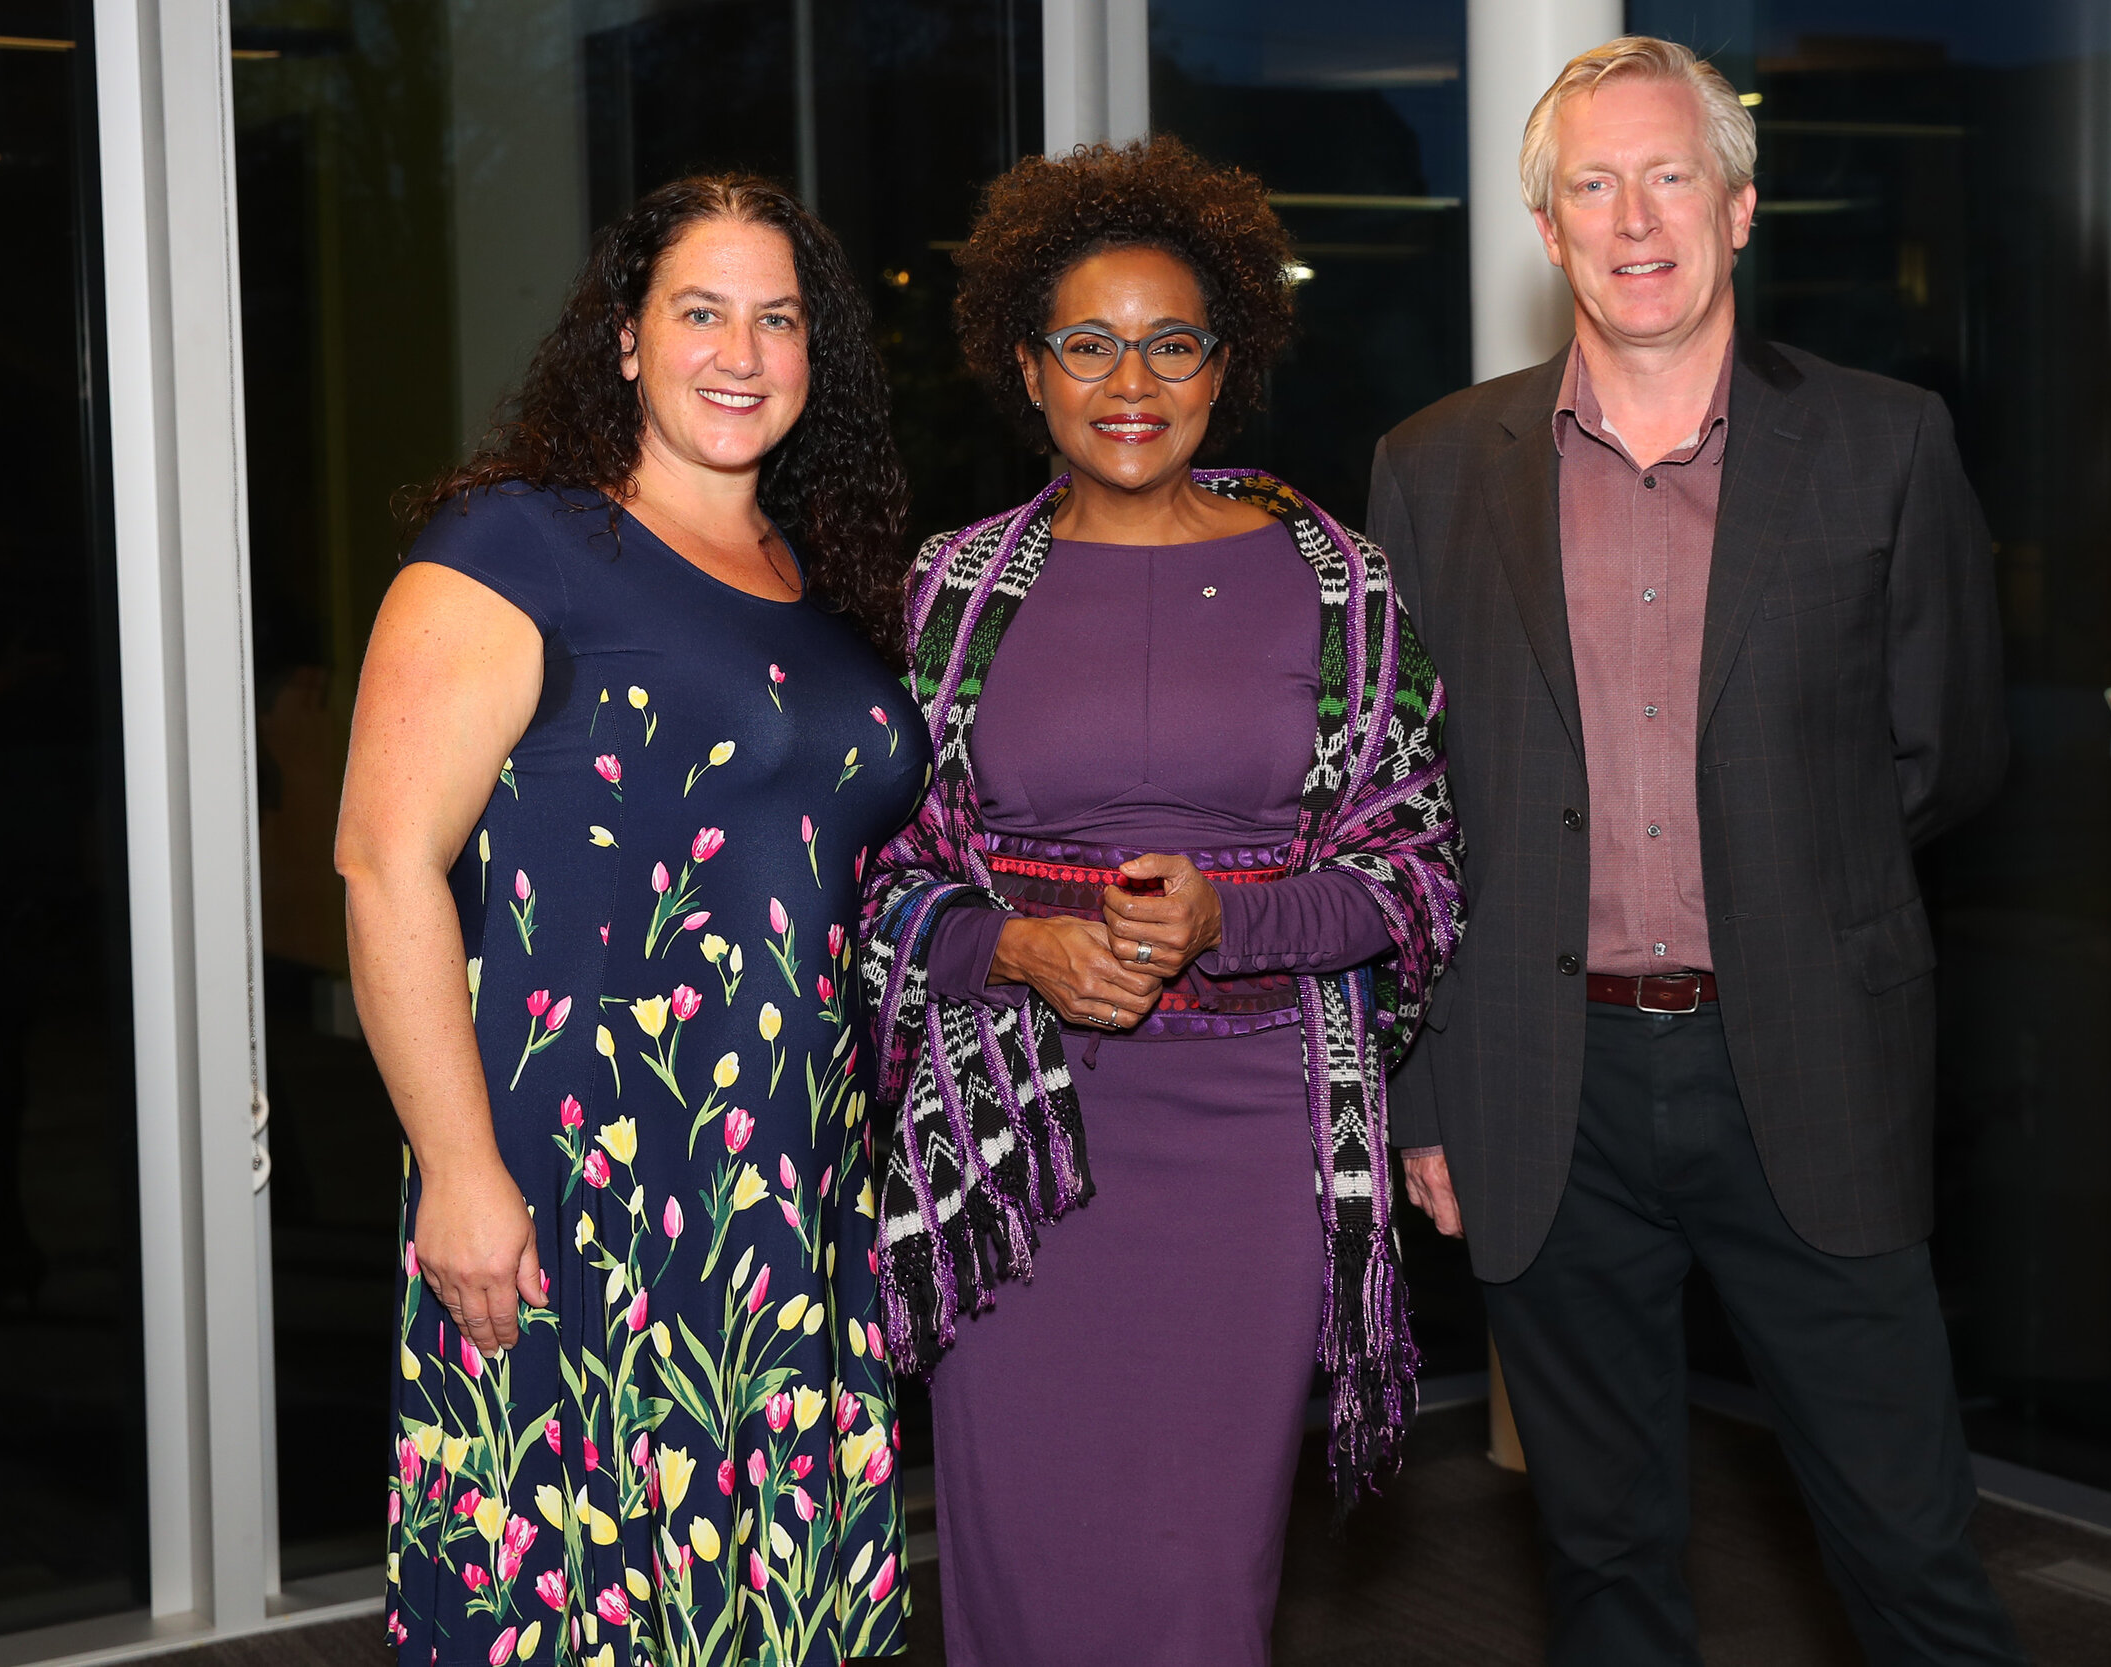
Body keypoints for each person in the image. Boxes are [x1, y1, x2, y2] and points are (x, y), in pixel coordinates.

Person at [1371, 38, 2024, 1667]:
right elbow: (1403, 804)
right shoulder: (1433, 468)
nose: (1634, 217)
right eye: (1593, 183)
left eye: (1670, 176)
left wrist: (1793, 887)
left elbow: (1940, 757)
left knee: (1911, 1558)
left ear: (1738, 209)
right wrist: (1427, 1094)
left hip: (1802, 1059)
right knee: (1603, 1567)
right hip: (1545, 1090)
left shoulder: (1886, 443)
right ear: (1548, 228)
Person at [857, 137, 1461, 1667]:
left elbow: (1414, 870)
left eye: (1173, 341)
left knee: (1199, 1581)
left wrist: (1226, 925)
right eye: (1089, 342)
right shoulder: (952, 588)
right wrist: (1020, 947)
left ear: (1226, 360)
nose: (1132, 377)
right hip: (1015, 1143)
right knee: (1017, 1562)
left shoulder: (1339, 584)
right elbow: (879, 878)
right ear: (1028, 366)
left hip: (1254, 1140)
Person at [336, 174, 922, 1665]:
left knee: (766, 1604)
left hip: (789, 1188)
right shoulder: (517, 547)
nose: (741, 352)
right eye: (701, 311)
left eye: (777, 319)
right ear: (623, 338)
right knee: (577, 1604)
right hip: (573, 1178)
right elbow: (383, 866)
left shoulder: (825, 580)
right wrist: (460, 1174)